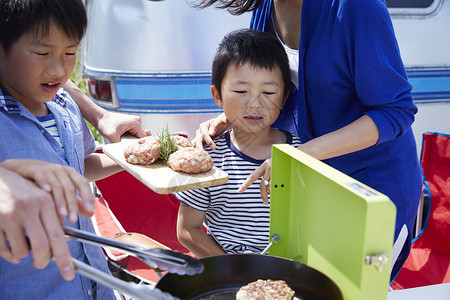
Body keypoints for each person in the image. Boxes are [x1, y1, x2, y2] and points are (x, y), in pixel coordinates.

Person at [191, 0, 422, 282]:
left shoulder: (357, 7)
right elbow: (270, 85)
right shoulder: (266, 7)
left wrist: (301, 154)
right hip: (316, 185)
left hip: (372, 189)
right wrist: (230, 118)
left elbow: (396, 110)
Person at [0, 0, 124, 298]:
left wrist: (128, 156)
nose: (59, 68)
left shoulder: (65, 106)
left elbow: (79, 167)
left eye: (70, 52)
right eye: (42, 53)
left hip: (96, 286)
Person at [176, 29, 301, 258]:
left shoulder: (301, 152)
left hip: (286, 275)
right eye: (241, 90)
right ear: (217, 95)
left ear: (284, 97)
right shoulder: (207, 158)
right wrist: (234, 271)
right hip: (226, 275)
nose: (255, 103)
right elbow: (187, 229)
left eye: (269, 92)